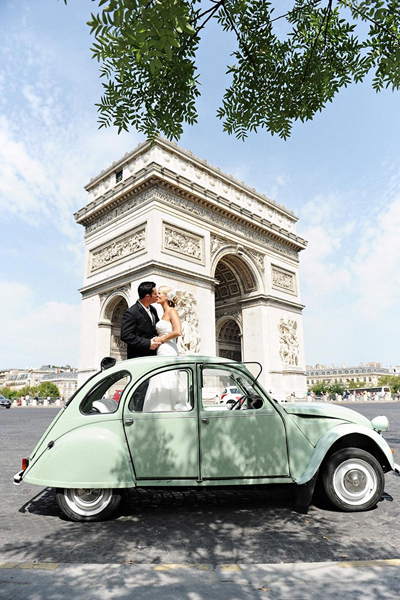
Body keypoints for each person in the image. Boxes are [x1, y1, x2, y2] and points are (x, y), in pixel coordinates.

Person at [142, 286, 190, 412]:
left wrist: (161, 339)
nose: (156, 296)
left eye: (159, 293)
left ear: (167, 297)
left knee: (166, 380)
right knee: (160, 380)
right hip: (162, 350)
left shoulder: (172, 311)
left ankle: (165, 410)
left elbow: (178, 331)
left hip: (168, 350)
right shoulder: (163, 313)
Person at [120, 281, 161, 359]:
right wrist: (148, 343)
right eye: (155, 294)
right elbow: (126, 335)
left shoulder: (153, 310)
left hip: (154, 356)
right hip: (138, 357)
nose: (157, 296)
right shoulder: (131, 312)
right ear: (148, 296)